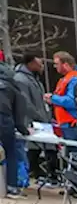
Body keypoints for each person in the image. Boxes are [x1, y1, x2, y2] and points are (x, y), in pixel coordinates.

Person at [14, 54, 51, 189]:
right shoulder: (21, 80)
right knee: (31, 148)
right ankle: (29, 173)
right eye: (39, 63)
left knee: (40, 148)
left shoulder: (34, 79)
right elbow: (26, 103)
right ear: (30, 64)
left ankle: (37, 172)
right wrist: (39, 116)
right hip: (30, 121)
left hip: (39, 120)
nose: (42, 66)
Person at [0, 51, 27, 198]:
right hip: (5, 120)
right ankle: (11, 186)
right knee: (11, 153)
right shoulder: (11, 82)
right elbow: (19, 108)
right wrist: (23, 128)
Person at [45, 52, 77, 143]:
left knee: (76, 153)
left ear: (66, 65)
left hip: (72, 124)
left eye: (57, 64)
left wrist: (53, 98)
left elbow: (73, 101)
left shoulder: (74, 79)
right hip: (68, 124)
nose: (55, 67)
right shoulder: (68, 79)